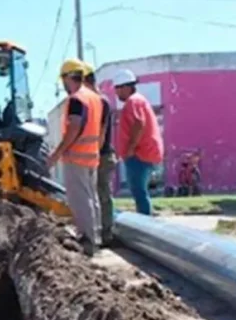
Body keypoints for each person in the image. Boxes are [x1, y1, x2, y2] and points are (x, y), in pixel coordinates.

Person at [47, 58, 104, 257]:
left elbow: (74, 128)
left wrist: (56, 154)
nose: (62, 83)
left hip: (77, 156)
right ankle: (95, 236)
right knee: (91, 197)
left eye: (63, 78)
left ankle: (87, 240)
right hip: (91, 155)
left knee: (80, 199)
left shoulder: (76, 99)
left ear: (69, 77)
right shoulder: (94, 98)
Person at [114, 69, 163, 215]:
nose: (117, 93)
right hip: (145, 153)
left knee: (139, 191)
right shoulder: (140, 100)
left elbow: (139, 123)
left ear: (126, 87)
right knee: (140, 191)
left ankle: (145, 223)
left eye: (118, 89)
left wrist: (130, 148)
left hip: (139, 154)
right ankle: (145, 218)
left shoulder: (133, 102)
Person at [83, 63, 117, 246]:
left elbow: (101, 133)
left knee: (102, 195)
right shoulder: (96, 102)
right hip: (98, 155)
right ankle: (99, 232)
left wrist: (93, 155)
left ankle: (106, 234)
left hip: (101, 156)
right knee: (95, 194)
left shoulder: (100, 102)